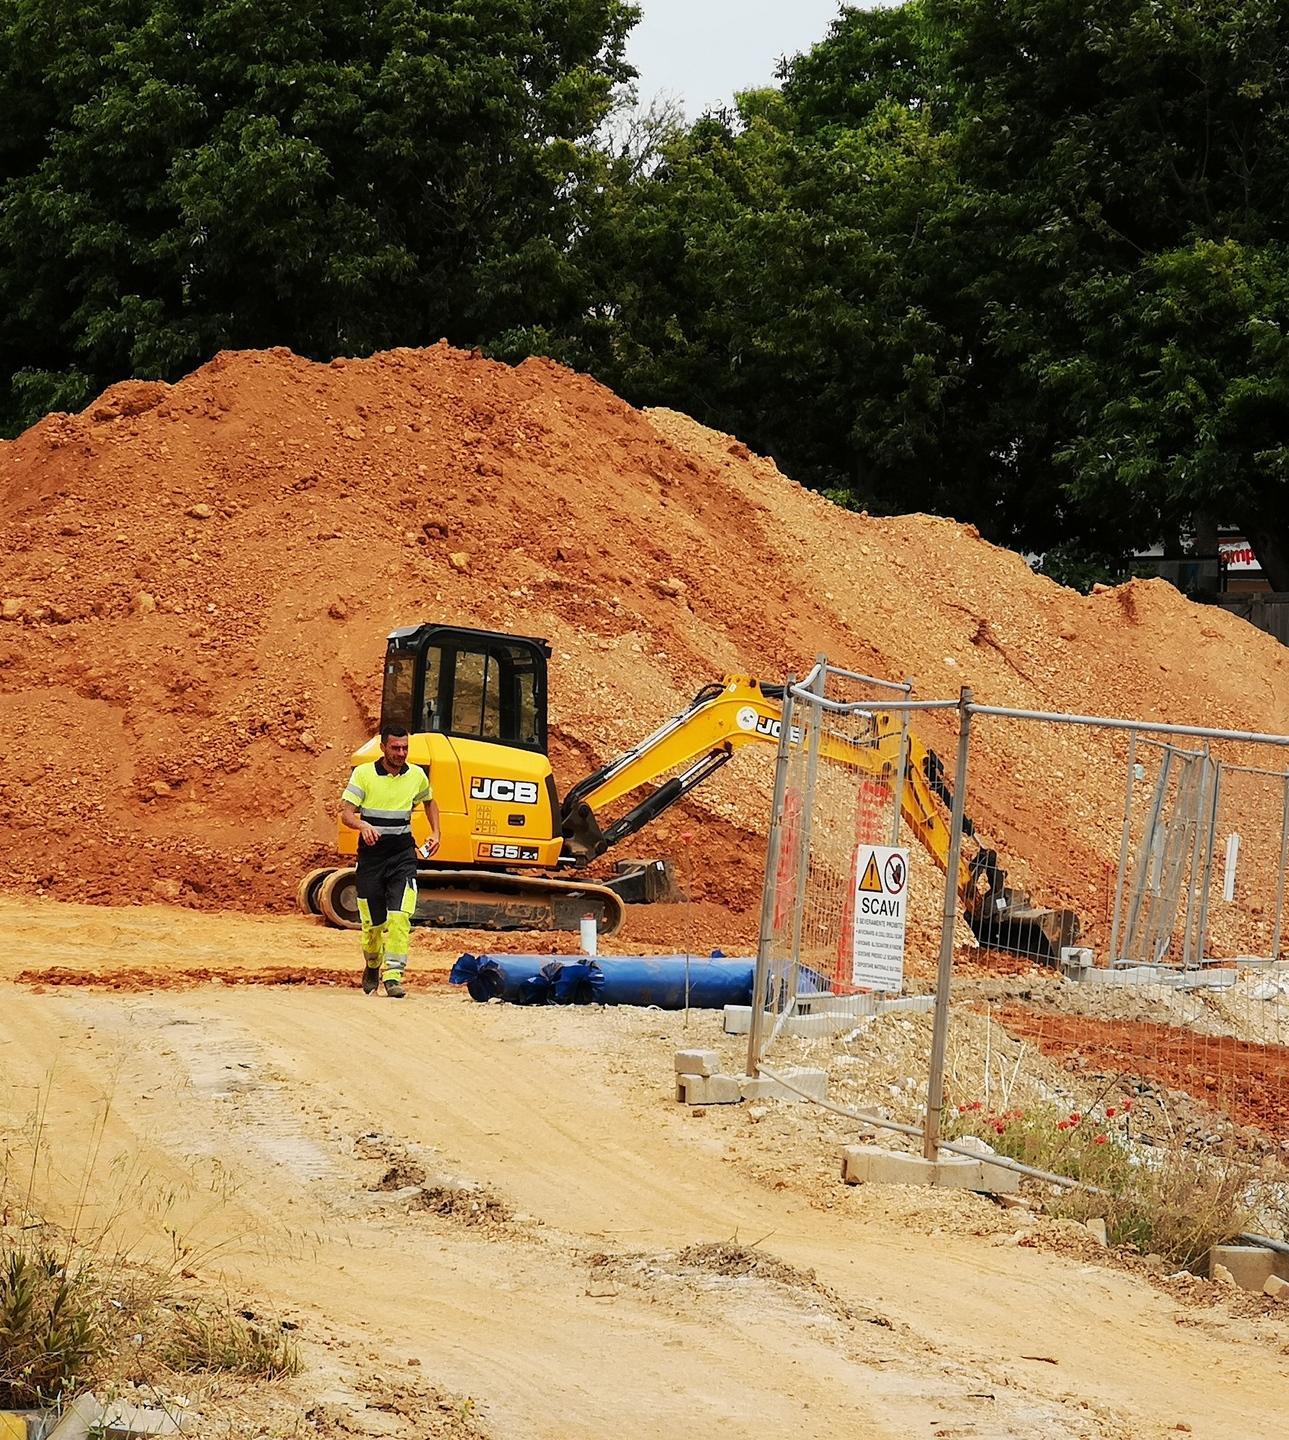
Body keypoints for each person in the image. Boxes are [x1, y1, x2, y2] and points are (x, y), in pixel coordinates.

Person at [339, 724, 440, 998]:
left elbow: (430, 801)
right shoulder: (364, 774)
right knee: (373, 924)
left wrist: (435, 831)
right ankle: (372, 964)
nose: (401, 753)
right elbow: (346, 813)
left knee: (399, 917)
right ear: (383, 747)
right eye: (395, 748)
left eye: (405, 748)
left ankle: (393, 975)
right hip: (372, 857)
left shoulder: (416, 775)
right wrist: (362, 826)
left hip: (402, 855)